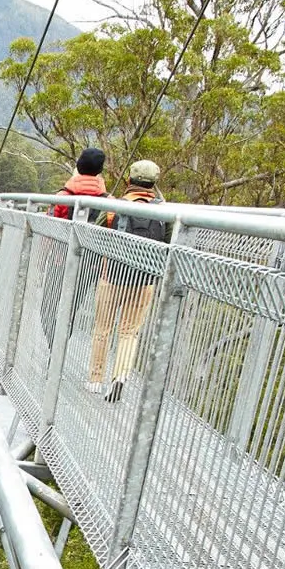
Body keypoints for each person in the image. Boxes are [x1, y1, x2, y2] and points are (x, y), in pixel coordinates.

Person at [85, 159, 171, 401]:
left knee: (103, 328)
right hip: (144, 279)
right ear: (154, 183)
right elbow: (167, 243)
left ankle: (95, 378)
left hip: (112, 275)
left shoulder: (114, 207)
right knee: (129, 332)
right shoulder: (164, 211)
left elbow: (97, 236)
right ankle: (120, 376)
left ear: (128, 180)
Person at [38, 148, 108, 342]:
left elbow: (49, 230)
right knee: (71, 307)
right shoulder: (109, 202)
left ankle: (53, 344)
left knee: (48, 306)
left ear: (78, 166)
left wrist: (41, 260)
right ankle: (60, 345)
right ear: (100, 171)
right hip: (90, 265)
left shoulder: (62, 197)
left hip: (60, 260)